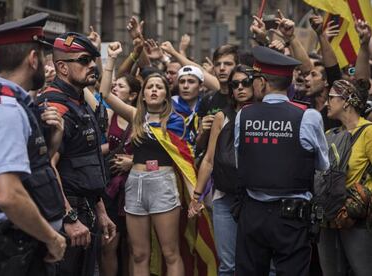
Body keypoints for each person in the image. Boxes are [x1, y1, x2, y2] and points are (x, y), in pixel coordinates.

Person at [100, 41, 217, 276]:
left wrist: (195, 197)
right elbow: (103, 94)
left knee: (170, 252)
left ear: (166, 94)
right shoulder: (135, 116)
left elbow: (183, 163)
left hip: (163, 185)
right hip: (135, 185)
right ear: (142, 95)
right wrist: (111, 59)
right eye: (149, 87)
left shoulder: (176, 122)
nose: (153, 90)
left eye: (159, 87)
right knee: (139, 253)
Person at [0, 13, 67, 276]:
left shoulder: (10, 103)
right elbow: (8, 194)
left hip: (19, 248)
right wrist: (52, 238)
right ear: (33, 59)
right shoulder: (4, 110)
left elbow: (29, 172)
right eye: (43, 58)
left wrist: (52, 140)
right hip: (13, 253)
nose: (45, 65)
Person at [234, 46, 329, 276]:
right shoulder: (307, 116)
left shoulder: (243, 115)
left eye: (255, 79)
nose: (252, 84)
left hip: (252, 213)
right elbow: (323, 165)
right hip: (291, 217)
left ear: (263, 83)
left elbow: (241, 161)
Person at [39, 32, 116, 276]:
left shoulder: (80, 102)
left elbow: (88, 161)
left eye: (93, 59)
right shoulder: (56, 107)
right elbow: (48, 167)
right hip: (68, 217)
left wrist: (100, 210)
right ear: (61, 67)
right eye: (84, 60)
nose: (92, 65)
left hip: (87, 212)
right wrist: (69, 218)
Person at [189, 64, 255, 276]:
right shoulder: (222, 116)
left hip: (257, 198)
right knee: (227, 265)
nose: (240, 88)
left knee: (258, 262)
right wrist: (196, 196)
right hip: (225, 196)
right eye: (235, 84)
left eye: (246, 82)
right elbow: (209, 159)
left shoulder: (264, 114)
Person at [318, 79, 372, 276]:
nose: (326, 103)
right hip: (327, 219)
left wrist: (363, 197)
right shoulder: (329, 134)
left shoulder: (369, 132)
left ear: (347, 101)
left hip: (355, 219)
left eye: (331, 98)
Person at [101, 74, 140, 276]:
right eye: (114, 84)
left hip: (136, 189)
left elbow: (160, 157)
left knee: (135, 249)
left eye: (121, 86)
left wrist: (133, 162)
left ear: (133, 95)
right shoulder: (109, 114)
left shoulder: (141, 118)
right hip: (111, 189)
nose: (115, 88)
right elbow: (101, 93)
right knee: (109, 245)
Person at [172, 65, 203, 145]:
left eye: (191, 81)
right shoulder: (168, 105)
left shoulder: (206, 106)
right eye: (182, 82)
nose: (185, 86)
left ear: (200, 86)